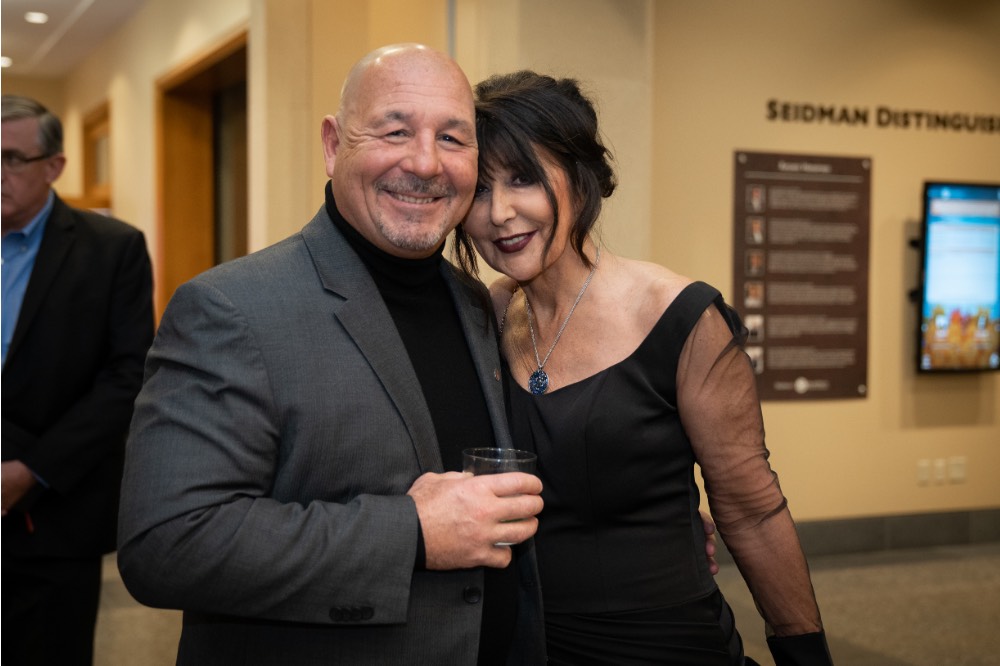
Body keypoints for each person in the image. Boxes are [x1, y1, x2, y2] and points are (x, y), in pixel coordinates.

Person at [116, 44, 546, 665]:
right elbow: (167, 544)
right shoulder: (230, 308)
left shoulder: (475, 302)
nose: (426, 162)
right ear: (332, 144)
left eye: (452, 138)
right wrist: (411, 533)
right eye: (395, 131)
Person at [455, 71, 833, 665]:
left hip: (657, 642)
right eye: (479, 188)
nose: (499, 212)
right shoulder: (486, 314)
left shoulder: (678, 317)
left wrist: (806, 656)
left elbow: (752, 511)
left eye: (523, 178)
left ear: (579, 178)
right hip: (522, 639)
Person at [1, 95, 155, 666]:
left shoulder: (111, 249)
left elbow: (127, 375)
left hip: (54, 512)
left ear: (54, 166)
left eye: (12, 158)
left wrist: (31, 470)